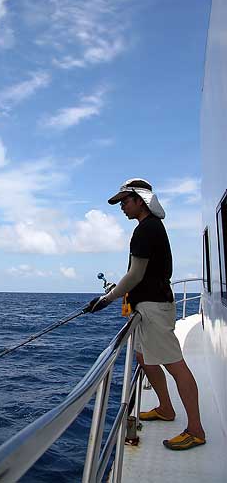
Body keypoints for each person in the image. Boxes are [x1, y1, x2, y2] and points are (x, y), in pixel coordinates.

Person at [89, 178, 205, 451]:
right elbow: (138, 276)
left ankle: (196, 430)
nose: (122, 207)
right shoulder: (149, 228)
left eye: (125, 201)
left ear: (140, 200)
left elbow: (135, 274)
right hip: (147, 307)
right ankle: (166, 408)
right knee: (143, 357)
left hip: (154, 308)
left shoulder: (145, 230)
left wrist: (107, 298)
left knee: (176, 365)